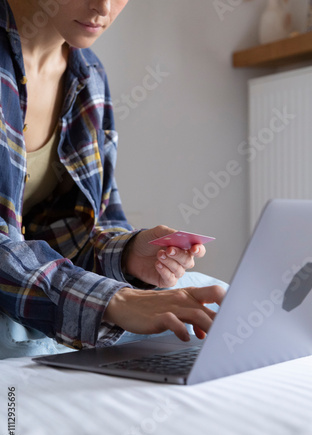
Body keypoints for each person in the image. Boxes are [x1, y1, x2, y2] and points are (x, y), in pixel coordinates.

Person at [0, 0, 226, 359]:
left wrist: (129, 257)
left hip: (34, 284)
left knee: (212, 295)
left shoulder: (88, 76)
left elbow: (82, 230)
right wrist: (115, 301)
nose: (102, 7)